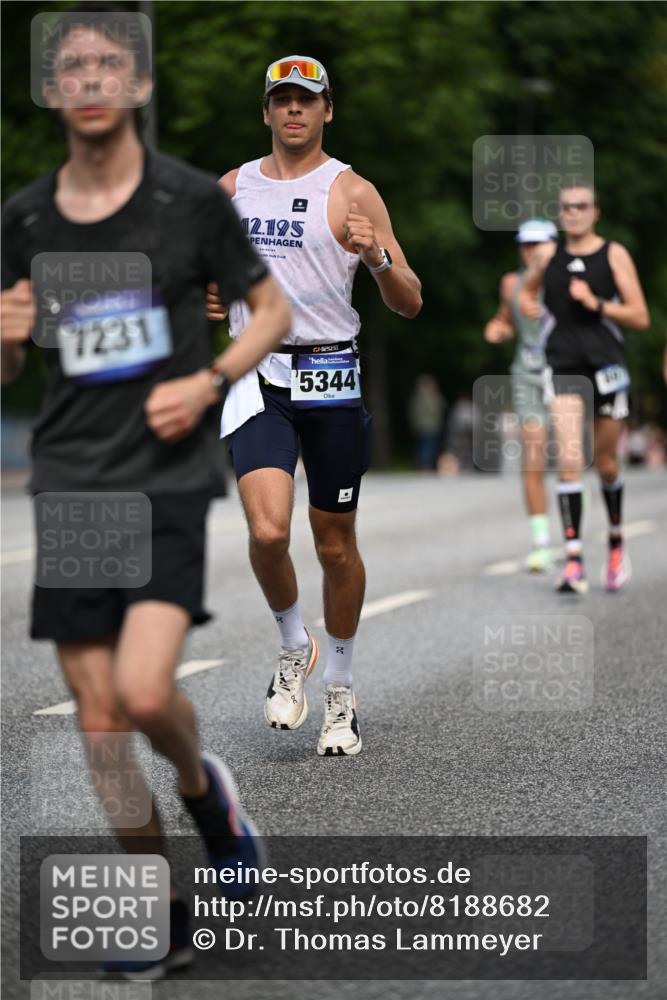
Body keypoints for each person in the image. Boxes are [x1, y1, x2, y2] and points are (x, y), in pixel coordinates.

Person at [1, 4, 290, 979]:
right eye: (72, 67)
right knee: (97, 721)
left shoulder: (188, 202)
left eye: (107, 65)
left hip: (164, 475)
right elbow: (8, 363)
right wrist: (7, 337)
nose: (90, 79)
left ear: (139, 85)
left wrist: (209, 383)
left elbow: (268, 309)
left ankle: (205, 792)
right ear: (52, 91)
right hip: (73, 477)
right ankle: (163, 915)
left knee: (139, 690)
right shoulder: (26, 219)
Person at [209, 56, 422, 756]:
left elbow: (410, 300)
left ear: (327, 109)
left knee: (333, 543)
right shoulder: (232, 188)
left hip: (330, 373)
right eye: (282, 100)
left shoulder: (352, 190)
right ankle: (292, 644)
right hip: (258, 376)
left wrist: (377, 257)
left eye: (306, 99)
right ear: (266, 112)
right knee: (269, 532)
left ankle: (340, 688)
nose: (294, 110)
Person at [520, 183, 650, 593]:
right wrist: (527, 303)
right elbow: (527, 290)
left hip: (606, 366)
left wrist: (597, 303)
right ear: (560, 214)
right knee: (570, 459)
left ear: (596, 213)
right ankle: (574, 560)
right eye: (567, 207)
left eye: (582, 206)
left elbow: (640, 316)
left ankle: (616, 542)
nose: (574, 212)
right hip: (562, 365)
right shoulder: (547, 256)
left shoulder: (613, 254)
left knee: (607, 464)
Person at [484, 218, 558, 572]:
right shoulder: (511, 283)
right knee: (533, 459)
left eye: (538, 244)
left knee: (572, 461)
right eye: (525, 244)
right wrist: (499, 328)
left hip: (567, 373)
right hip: (527, 375)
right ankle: (541, 543)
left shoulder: (569, 280)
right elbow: (505, 319)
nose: (530, 250)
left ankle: (573, 528)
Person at [408, 374, 446, 471]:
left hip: (434, 427)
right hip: (423, 427)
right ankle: (424, 467)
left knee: (431, 448)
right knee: (425, 448)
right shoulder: (419, 398)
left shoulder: (436, 397)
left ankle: (427, 466)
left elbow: (442, 408)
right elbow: (415, 412)